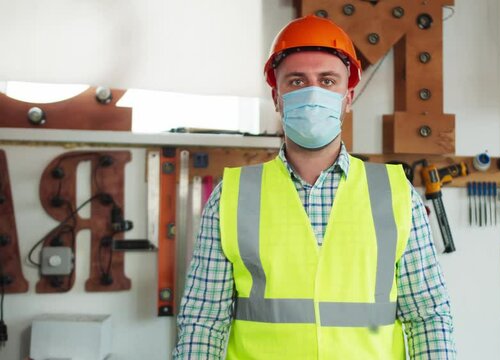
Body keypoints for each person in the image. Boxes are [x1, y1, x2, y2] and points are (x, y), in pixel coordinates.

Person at [173, 15, 455, 359]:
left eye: (327, 80)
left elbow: (427, 316)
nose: (312, 93)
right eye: (296, 81)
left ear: (347, 97)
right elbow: (203, 321)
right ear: (277, 98)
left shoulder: (396, 194)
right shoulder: (232, 196)